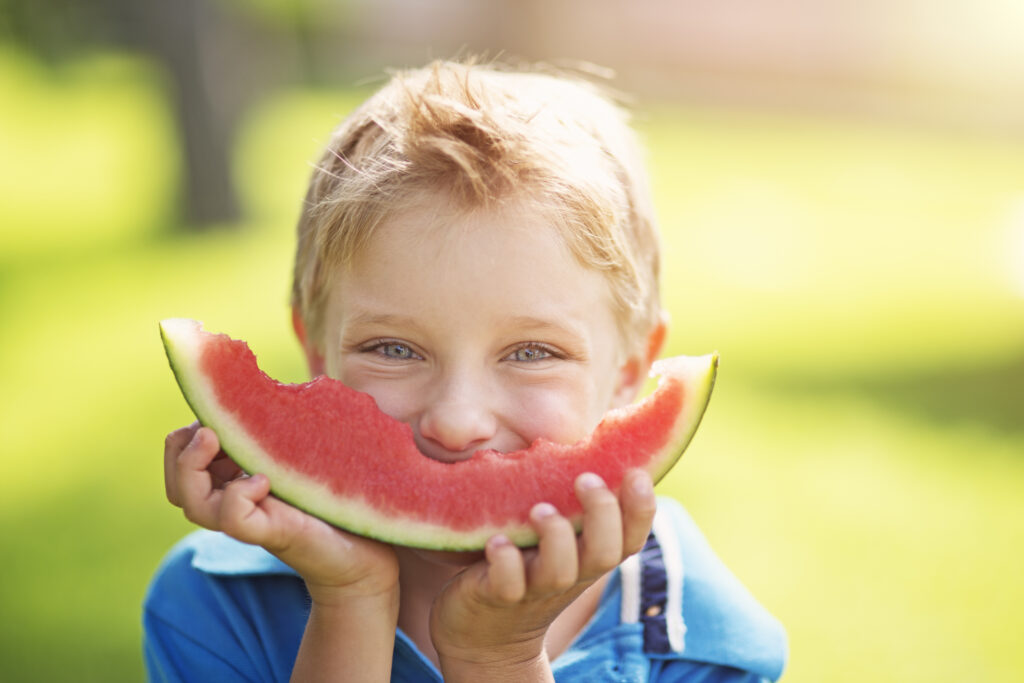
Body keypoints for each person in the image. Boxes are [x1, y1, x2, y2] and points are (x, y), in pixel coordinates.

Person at [144, 59, 787, 682]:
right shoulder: (211, 604)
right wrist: (352, 599)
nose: (456, 421)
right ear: (316, 352)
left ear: (632, 370)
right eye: (394, 349)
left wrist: (499, 661)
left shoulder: (705, 643)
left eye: (532, 353)